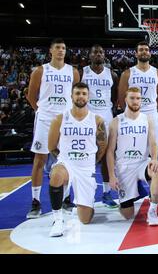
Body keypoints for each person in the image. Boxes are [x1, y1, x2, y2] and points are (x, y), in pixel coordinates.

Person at [26, 38, 80, 219]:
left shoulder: (73, 71)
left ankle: (66, 199)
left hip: (65, 119)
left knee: (66, 158)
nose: (61, 50)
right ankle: (35, 202)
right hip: (45, 118)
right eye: (57, 47)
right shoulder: (40, 70)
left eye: (63, 48)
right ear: (50, 50)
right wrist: (42, 111)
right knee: (40, 158)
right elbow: (31, 96)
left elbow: (75, 96)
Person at [47, 82, 107, 237]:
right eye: (77, 93)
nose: (81, 96)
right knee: (56, 174)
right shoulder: (60, 119)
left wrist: (91, 162)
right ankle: (57, 220)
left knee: (85, 219)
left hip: (87, 168)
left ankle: (81, 204)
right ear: (71, 96)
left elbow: (102, 146)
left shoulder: (97, 120)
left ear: (88, 97)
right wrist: (64, 160)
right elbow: (51, 145)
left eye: (84, 94)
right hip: (67, 163)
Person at [106, 87, 158, 225]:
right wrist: (112, 176)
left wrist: (154, 159)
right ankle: (132, 196)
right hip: (124, 167)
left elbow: (153, 143)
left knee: (156, 169)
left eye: (138, 98)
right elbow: (110, 151)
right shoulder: (116, 121)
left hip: (142, 163)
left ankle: (153, 211)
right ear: (125, 100)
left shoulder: (147, 119)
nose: (135, 101)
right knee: (127, 215)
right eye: (132, 98)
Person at [81, 44, 119, 208]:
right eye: (95, 52)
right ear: (90, 55)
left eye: (101, 52)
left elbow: (116, 96)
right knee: (86, 156)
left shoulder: (112, 74)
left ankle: (106, 193)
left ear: (104, 55)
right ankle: (86, 194)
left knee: (106, 155)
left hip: (106, 115)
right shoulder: (82, 72)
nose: (98, 54)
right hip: (87, 116)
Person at [117, 41, 158, 152]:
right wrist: (131, 112)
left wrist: (151, 109)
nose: (144, 52)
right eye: (141, 50)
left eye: (146, 50)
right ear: (136, 54)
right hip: (133, 115)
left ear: (150, 53)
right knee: (133, 149)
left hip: (152, 114)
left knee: (153, 150)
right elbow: (121, 97)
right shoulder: (127, 73)